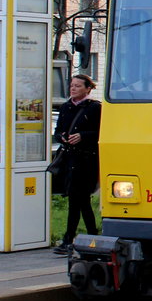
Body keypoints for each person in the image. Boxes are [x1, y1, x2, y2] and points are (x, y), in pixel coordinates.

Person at [53, 74, 102, 255]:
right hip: (70, 160)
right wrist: (63, 137)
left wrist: (83, 136)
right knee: (78, 200)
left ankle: (71, 238)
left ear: (88, 89)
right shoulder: (66, 107)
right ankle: (90, 236)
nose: (73, 89)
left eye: (78, 86)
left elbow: (100, 132)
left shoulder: (94, 108)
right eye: (72, 85)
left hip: (87, 160)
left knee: (78, 199)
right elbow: (58, 131)